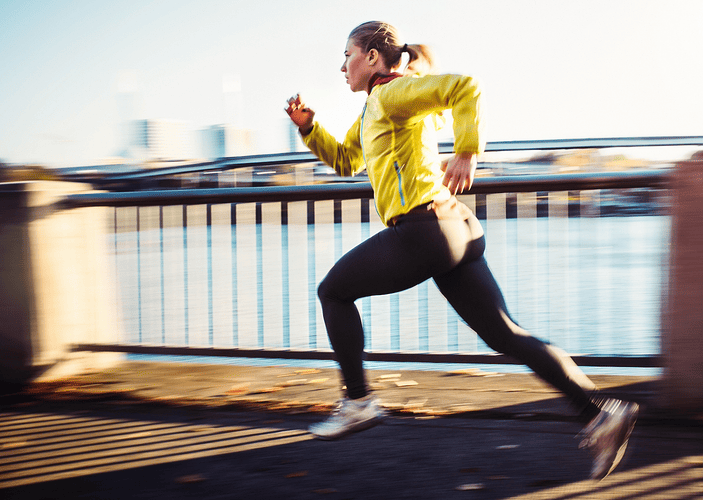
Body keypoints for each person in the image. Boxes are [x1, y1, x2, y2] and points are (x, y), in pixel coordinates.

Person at [285, 21, 638, 480]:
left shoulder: (393, 93)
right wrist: (310, 128)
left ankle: (357, 402)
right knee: (505, 334)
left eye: (348, 54)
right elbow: (348, 160)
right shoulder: (375, 107)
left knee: (333, 292)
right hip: (454, 228)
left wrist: (467, 150)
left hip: (424, 228)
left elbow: (464, 86)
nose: (342, 66)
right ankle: (599, 413)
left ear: (373, 57)